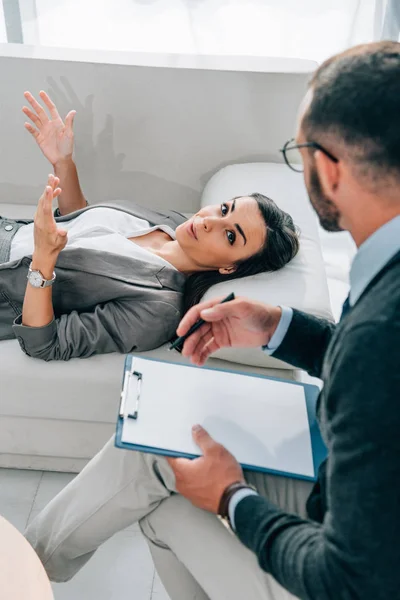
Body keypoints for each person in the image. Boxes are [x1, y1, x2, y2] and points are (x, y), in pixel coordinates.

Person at [25, 40, 400, 600]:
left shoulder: (381, 324)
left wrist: (232, 498)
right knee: (158, 460)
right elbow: (369, 369)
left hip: (345, 570)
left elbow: (350, 578)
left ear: (326, 167)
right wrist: (278, 325)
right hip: (344, 497)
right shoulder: (383, 275)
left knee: (169, 499)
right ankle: (26, 568)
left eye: (298, 151)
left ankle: (22, 571)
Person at [0, 92, 299, 361]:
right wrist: (64, 162)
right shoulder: (171, 224)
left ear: (230, 268)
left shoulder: (159, 310)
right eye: (224, 209)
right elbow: (82, 229)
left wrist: (43, 258)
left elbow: (45, 344)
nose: (209, 222)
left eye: (231, 236)